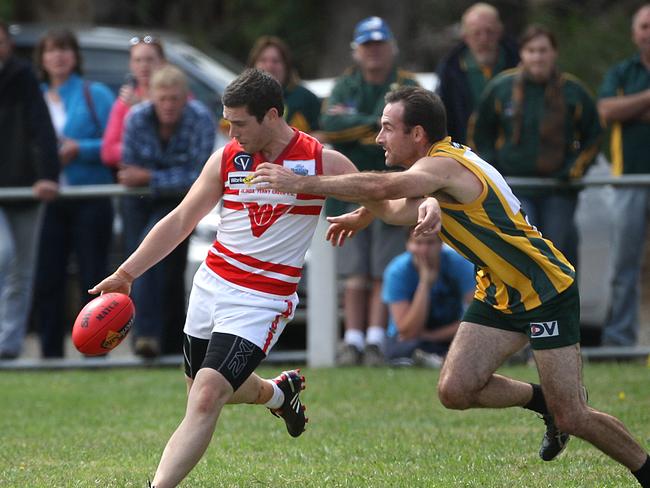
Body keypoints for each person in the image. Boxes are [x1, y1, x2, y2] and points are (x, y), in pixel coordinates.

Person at [251, 86, 650, 487]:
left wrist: (302, 183)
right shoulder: (436, 168)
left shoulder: (442, 167)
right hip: (498, 291)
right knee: (455, 390)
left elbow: (386, 189)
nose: (378, 138)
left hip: (544, 288)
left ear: (418, 134)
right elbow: (391, 206)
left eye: (388, 128)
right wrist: (363, 215)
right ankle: (543, 402)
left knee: (574, 416)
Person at [89, 69, 439, 487]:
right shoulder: (228, 157)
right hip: (211, 286)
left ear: (271, 115)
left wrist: (432, 201)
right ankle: (278, 394)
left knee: (206, 396)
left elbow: (392, 207)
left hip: (262, 300)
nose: (230, 131)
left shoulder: (320, 160)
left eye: (238, 122)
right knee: (204, 392)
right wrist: (126, 273)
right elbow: (182, 219)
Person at [320, 16, 420, 366]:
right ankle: (353, 339)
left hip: (395, 187)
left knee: (384, 268)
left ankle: (377, 339)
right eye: (367, 46)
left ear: (391, 48)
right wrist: (377, 124)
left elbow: (412, 131)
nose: (374, 53)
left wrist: (360, 126)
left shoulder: (407, 84)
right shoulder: (346, 85)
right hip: (349, 189)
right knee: (354, 271)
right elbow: (332, 125)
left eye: (379, 45)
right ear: (357, 51)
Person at [470, 24, 601, 268]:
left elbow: (594, 135)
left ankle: (563, 305)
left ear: (554, 53)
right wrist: (492, 170)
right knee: (524, 253)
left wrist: (574, 169)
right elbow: (479, 131)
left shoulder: (574, 91)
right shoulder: (501, 88)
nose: (537, 57)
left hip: (558, 189)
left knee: (557, 254)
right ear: (522, 53)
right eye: (531, 50)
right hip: (514, 187)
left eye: (543, 50)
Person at [119, 64, 216, 358]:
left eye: (174, 99)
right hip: (138, 202)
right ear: (150, 97)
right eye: (162, 99)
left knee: (169, 270)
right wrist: (164, 178)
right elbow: (127, 170)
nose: (168, 105)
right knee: (141, 261)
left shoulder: (200, 119)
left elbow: (200, 175)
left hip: (180, 202)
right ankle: (145, 336)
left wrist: (151, 178)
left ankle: (166, 340)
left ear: (185, 98)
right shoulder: (136, 118)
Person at [32, 28, 115, 358]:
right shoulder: (33, 95)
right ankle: (49, 355)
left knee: (93, 277)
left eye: (64, 49)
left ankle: (97, 352)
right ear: (42, 58)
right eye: (51, 50)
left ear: (75, 56)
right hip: (47, 202)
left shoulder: (95, 93)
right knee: (48, 277)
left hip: (90, 198)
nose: (58, 56)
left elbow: (113, 145)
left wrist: (79, 149)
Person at [0, 20, 60, 360]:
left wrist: (47, 174)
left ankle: (8, 345)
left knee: (21, 268)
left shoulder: (22, 78)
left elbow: (41, 129)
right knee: (3, 254)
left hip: (25, 188)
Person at [597, 4, 650, 347]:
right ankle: (620, 341)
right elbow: (607, 111)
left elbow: (622, 110)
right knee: (624, 267)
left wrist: (633, 109)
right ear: (635, 34)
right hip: (628, 180)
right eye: (645, 26)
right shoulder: (621, 73)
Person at [382, 229, 474, 367]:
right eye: (418, 243)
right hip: (411, 339)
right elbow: (407, 332)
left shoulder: (460, 264)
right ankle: (441, 360)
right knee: (399, 349)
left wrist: (432, 336)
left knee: (476, 341)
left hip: (449, 334)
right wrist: (424, 284)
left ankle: (437, 360)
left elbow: (474, 320)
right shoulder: (397, 271)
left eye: (430, 243)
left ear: (441, 244)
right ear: (407, 245)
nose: (424, 250)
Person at [436, 2, 519, 144]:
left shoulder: (519, 62)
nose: (484, 39)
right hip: (468, 155)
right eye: (476, 33)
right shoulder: (450, 71)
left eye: (489, 32)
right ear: (465, 36)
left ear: (500, 32)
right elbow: (443, 120)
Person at [101, 34, 166, 167]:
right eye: (138, 60)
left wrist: (141, 108)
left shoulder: (177, 94)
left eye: (149, 60)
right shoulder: (124, 101)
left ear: (162, 62)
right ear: (131, 64)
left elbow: (172, 145)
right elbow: (108, 152)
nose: (144, 66)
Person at [247, 35, 322, 137]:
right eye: (263, 60)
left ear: (286, 66)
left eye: (276, 61)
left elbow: (322, 135)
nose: (269, 66)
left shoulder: (306, 98)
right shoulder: (243, 98)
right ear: (253, 65)